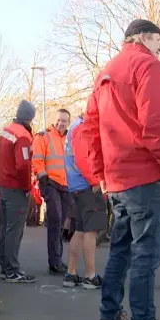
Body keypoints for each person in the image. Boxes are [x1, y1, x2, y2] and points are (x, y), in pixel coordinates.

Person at [85, 19, 160, 320]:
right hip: (144, 176)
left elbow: (90, 131)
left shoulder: (105, 74)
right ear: (146, 38)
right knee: (146, 254)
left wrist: (100, 174)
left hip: (116, 179)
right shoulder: (149, 67)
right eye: (159, 41)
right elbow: (156, 125)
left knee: (120, 251)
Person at [63, 114, 105, 290]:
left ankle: (71, 273)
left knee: (79, 230)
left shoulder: (74, 127)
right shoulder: (81, 129)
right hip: (86, 186)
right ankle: (90, 276)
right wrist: (95, 181)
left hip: (76, 186)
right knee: (90, 231)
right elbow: (82, 159)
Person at [0, 100, 37, 283]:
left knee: (6, 229)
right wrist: (27, 187)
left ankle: (5, 267)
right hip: (16, 189)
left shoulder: (7, 130)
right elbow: (23, 165)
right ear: (30, 117)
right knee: (15, 230)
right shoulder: (22, 136)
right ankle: (13, 270)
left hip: (4, 186)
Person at [32, 109, 72, 275]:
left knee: (61, 221)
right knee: (55, 220)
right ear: (54, 120)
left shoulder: (69, 139)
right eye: (58, 120)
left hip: (65, 185)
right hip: (50, 183)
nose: (60, 123)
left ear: (68, 122)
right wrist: (43, 178)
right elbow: (37, 159)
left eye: (64, 121)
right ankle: (54, 262)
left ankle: (57, 259)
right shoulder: (43, 136)